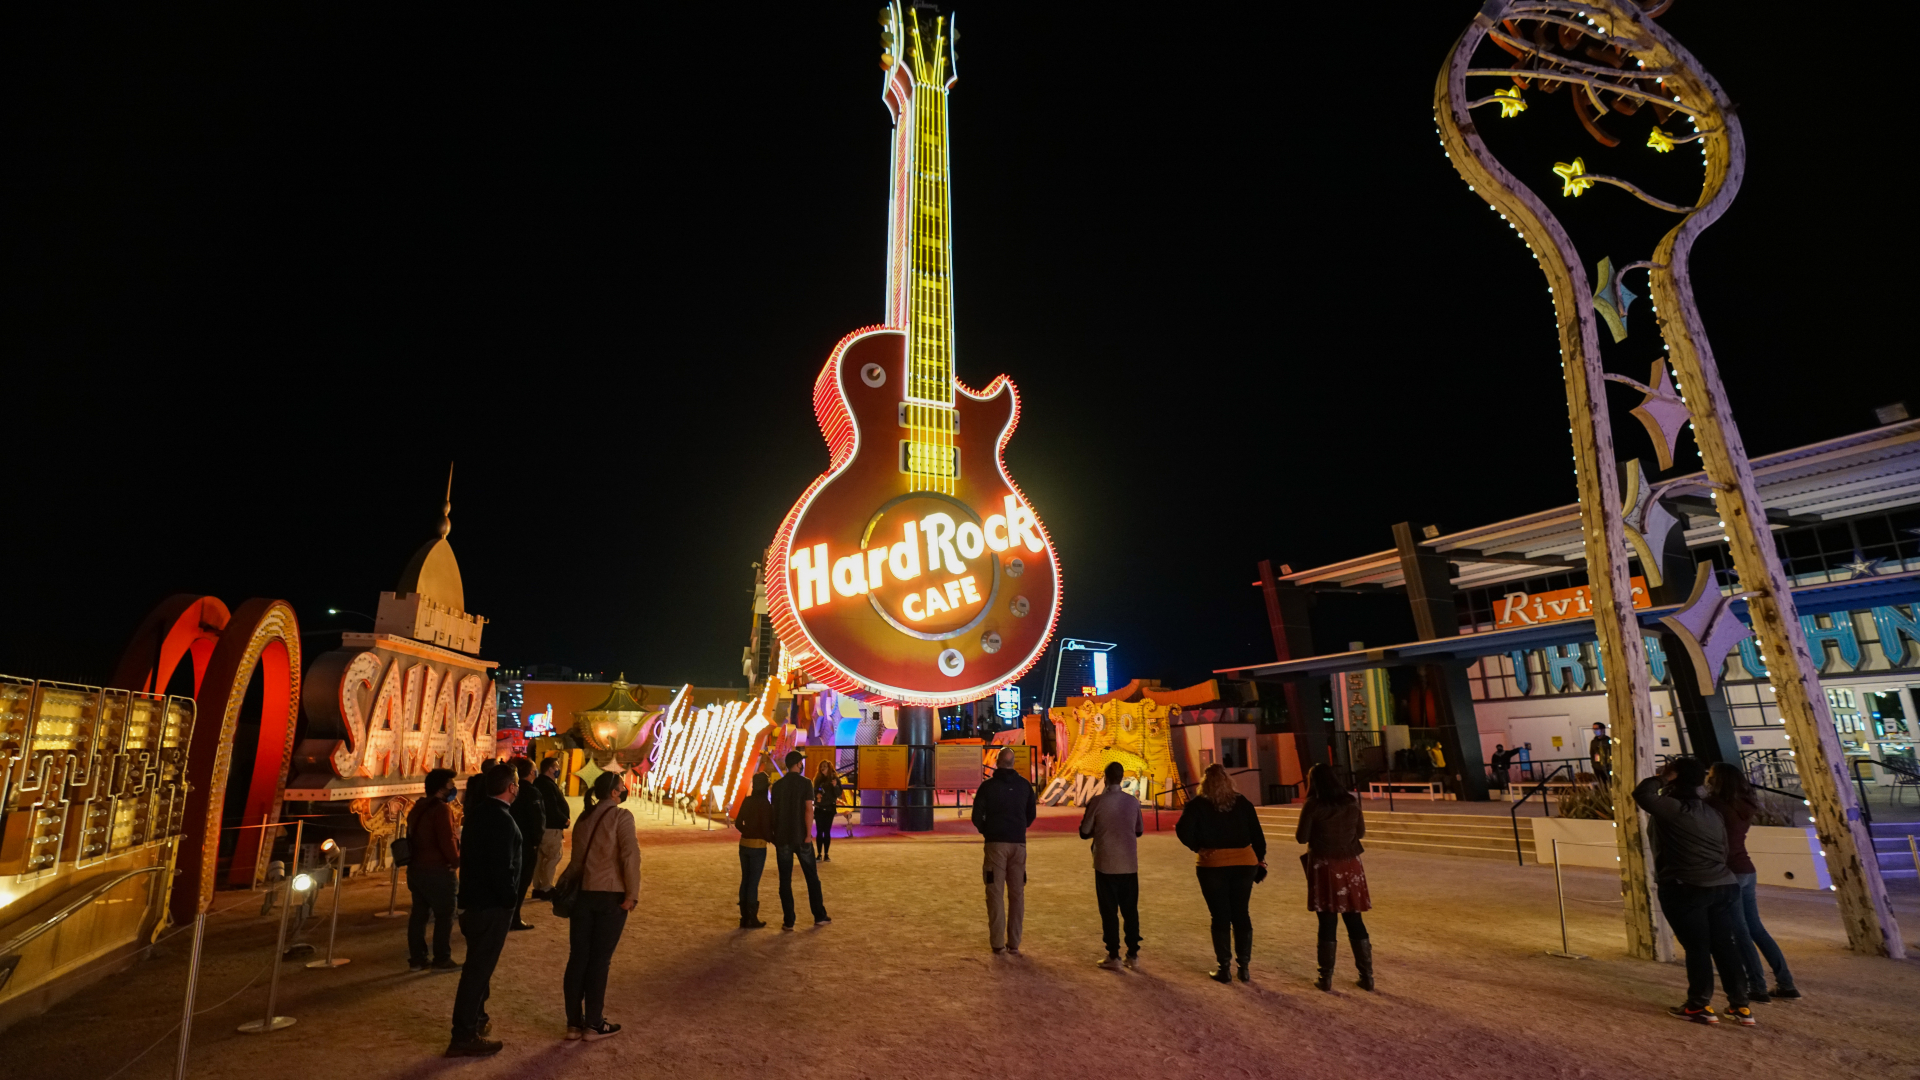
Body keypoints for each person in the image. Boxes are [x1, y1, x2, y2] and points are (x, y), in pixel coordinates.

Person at [1633, 756, 1754, 1026]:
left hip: (1686, 886)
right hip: (1723, 884)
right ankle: (1740, 1005)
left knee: (1697, 947)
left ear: (1675, 777)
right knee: (1724, 945)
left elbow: (1642, 793)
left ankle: (1699, 1005)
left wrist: (1666, 777)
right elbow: (1723, 850)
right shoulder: (1712, 812)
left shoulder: (1675, 808)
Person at [1706, 762, 1800, 1002]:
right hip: (1746, 868)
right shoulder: (1744, 804)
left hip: (1729, 872)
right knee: (1755, 928)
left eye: (1711, 775)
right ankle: (1785, 981)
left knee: (1740, 932)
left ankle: (1757, 986)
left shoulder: (1715, 806)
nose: (1707, 777)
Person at [447, 761, 523, 1057]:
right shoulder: (503, 821)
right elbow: (503, 869)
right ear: (511, 787)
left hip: (472, 902)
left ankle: (476, 1020)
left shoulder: (479, 814)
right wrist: (509, 900)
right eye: (516, 783)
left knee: (479, 967)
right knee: (478, 971)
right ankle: (464, 1033)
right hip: (490, 906)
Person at [559, 770, 640, 1042]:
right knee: (599, 960)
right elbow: (629, 856)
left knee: (578, 957)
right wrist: (632, 893)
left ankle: (573, 1022)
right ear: (615, 792)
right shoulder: (621, 817)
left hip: (583, 895)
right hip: (610, 894)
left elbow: (577, 860)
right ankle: (594, 1023)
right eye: (622, 786)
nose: (624, 789)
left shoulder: (584, 816)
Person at [1177, 764, 1267, 984]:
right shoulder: (1242, 803)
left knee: (1220, 916)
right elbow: (1257, 834)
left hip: (1212, 864)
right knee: (1241, 913)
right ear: (1228, 781)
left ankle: (1224, 968)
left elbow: (1182, 830)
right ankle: (1244, 966)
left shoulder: (1197, 805)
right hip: (1244, 862)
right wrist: (1260, 859)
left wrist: (1198, 846)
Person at [1295, 763, 1373, 992]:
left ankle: (1325, 977)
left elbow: (1301, 837)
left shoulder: (1314, 804)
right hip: (1350, 865)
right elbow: (1360, 833)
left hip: (1324, 865)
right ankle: (1367, 975)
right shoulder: (1350, 802)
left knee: (1327, 920)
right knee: (1354, 919)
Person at [1078, 761, 1144, 970]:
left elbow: (1084, 831)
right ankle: (1132, 953)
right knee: (1130, 910)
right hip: (1128, 863)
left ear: (1105, 778)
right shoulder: (1132, 802)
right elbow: (1139, 830)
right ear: (1122, 777)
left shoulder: (1097, 802)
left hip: (1106, 862)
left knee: (1109, 911)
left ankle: (1113, 954)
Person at [971, 746, 1037, 955]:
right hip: (1018, 844)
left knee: (995, 892)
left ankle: (997, 942)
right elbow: (1031, 815)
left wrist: (987, 830)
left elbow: (976, 816)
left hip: (995, 844)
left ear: (997, 762)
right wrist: (1018, 828)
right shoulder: (1025, 786)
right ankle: (1014, 942)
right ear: (1013, 763)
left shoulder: (987, 787)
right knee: (1017, 894)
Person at [406, 768, 462, 972]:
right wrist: (455, 861)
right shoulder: (441, 810)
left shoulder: (418, 807)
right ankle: (441, 958)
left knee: (419, 915)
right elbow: (447, 840)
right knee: (445, 914)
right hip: (437, 870)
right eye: (450, 785)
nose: (453, 789)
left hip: (416, 869)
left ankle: (417, 958)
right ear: (440, 789)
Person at [770, 750, 831, 930]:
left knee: (785, 880)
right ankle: (819, 915)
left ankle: (789, 920)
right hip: (800, 836)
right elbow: (808, 810)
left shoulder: (778, 785)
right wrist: (807, 834)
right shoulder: (805, 783)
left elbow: (774, 812)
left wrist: (775, 834)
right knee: (811, 877)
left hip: (783, 837)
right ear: (798, 764)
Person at [508, 756, 545, 930]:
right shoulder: (531, 792)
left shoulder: (509, 789)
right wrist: (537, 841)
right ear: (531, 772)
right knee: (521, 882)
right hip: (526, 844)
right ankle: (513, 917)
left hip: (510, 841)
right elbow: (537, 820)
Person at [530, 755, 572, 900]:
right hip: (551, 827)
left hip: (542, 827)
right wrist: (564, 820)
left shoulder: (539, 783)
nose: (558, 770)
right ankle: (547, 887)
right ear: (550, 769)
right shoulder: (547, 785)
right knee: (552, 857)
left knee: (540, 859)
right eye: (556, 767)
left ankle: (538, 887)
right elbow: (551, 807)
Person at [734, 771, 773, 929]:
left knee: (745, 879)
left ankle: (744, 917)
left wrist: (747, 831)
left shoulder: (748, 801)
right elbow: (766, 828)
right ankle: (752, 917)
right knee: (753, 883)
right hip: (758, 845)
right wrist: (772, 839)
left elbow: (738, 823)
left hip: (744, 843)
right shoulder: (765, 804)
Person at [813, 759, 842, 862]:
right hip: (819, 808)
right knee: (819, 831)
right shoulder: (817, 779)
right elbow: (813, 792)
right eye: (821, 766)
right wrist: (816, 795)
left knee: (827, 831)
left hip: (829, 808)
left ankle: (826, 854)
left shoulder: (834, 779)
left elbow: (839, 794)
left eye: (825, 766)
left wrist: (835, 786)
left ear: (829, 767)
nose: (822, 768)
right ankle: (819, 854)